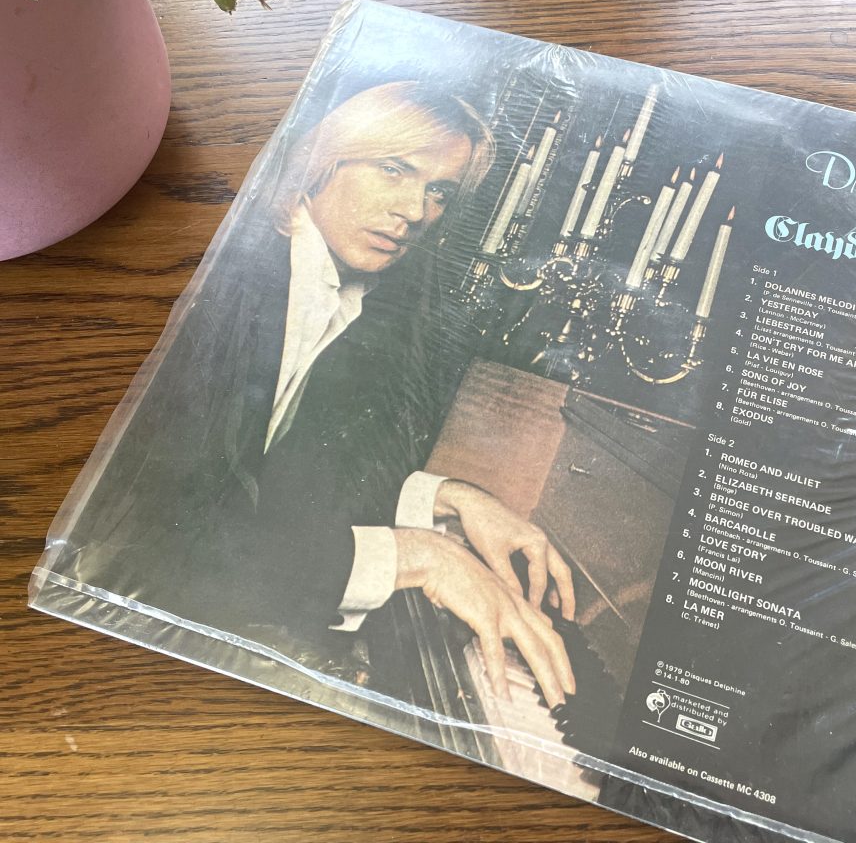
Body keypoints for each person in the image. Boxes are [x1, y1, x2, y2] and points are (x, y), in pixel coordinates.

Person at [54, 81, 575, 707]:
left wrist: (446, 498)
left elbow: (272, 477)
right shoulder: (232, 273)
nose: (416, 210)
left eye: (440, 191)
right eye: (394, 169)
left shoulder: (335, 284)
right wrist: (423, 557)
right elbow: (170, 540)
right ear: (325, 160)